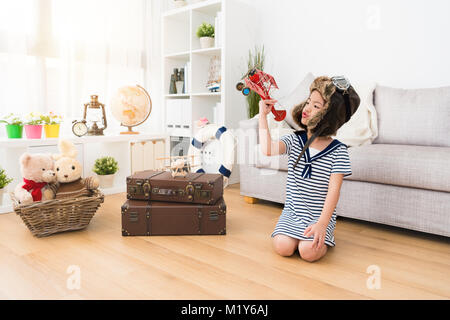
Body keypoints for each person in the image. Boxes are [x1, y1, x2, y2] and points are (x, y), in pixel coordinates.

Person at [258, 76, 360, 262]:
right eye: (308, 102)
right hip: (293, 213)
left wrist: (322, 224)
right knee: (283, 247)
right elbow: (267, 149)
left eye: (316, 106)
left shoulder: (338, 151)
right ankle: (295, 235)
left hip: (318, 217)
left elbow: (334, 190)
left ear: (329, 114)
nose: (306, 108)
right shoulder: (294, 140)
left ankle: (321, 235)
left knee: (308, 252)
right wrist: (262, 116)